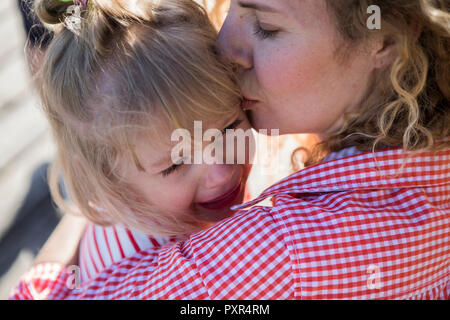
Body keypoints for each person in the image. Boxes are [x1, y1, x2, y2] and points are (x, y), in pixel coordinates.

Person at [11, 0, 450, 299]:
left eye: (267, 26)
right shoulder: (412, 142)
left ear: (385, 37)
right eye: (234, 5)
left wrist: (85, 205)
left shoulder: (278, 246)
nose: (225, 45)